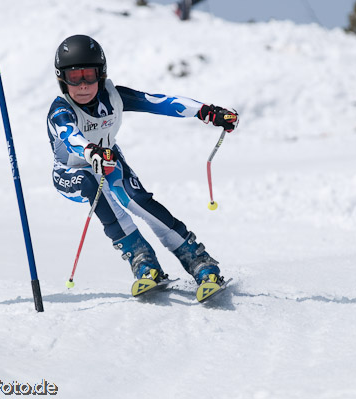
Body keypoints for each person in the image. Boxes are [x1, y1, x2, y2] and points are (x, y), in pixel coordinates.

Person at [47, 35, 238, 296]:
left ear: (101, 75)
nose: (82, 85)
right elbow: (70, 136)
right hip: (72, 170)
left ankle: (199, 261)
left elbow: (158, 102)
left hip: (108, 158)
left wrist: (206, 111)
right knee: (93, 187)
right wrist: (90, 151)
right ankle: (143, 261)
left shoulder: (113, 97)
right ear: (62, 79)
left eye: (89, 76)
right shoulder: (60, 110)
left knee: (135, 199)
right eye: (74, 77)